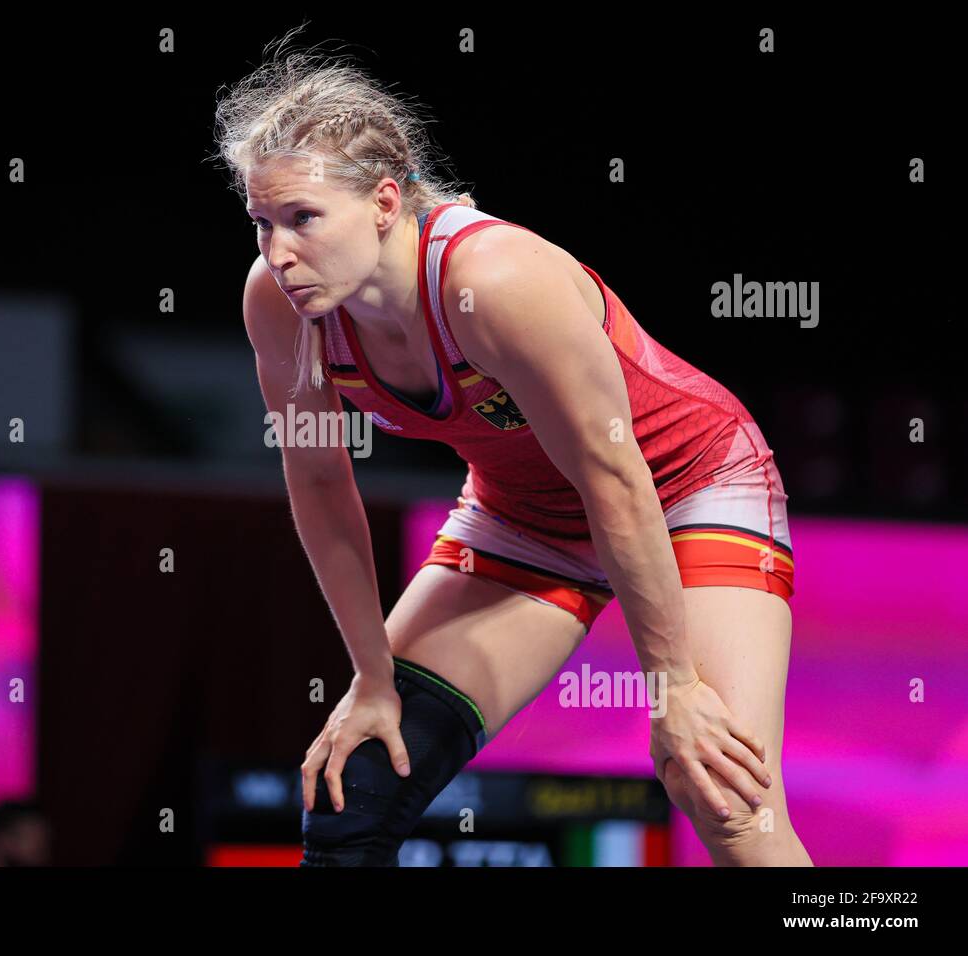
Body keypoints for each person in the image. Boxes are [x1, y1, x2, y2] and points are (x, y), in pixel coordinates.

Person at [217, 32, 811, 866]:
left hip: (684, 486)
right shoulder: (281, 307)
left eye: (305, 219)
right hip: (524, 513)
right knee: (354, 785)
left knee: (720, 793)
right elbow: (319, 483)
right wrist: (372, 677)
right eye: (262, 223)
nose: (279, 253)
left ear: (386, 202)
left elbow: (615, 478)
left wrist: (672, 687)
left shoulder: (492, 282)